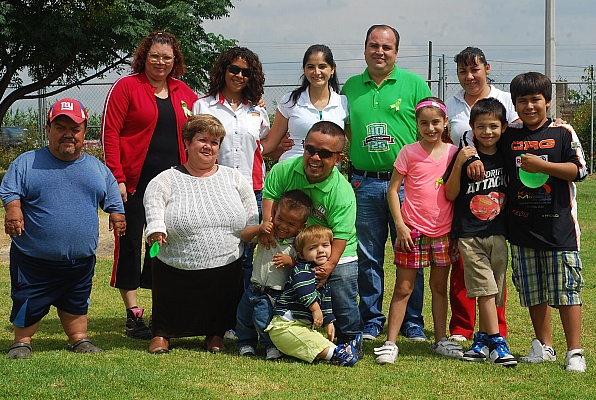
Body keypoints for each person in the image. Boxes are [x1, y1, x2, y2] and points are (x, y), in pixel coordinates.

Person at [466, 72, 588, 372]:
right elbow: (479, 144)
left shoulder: (562, 131)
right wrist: (471, 160)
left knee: (566, 289)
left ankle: (575, 351)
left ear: (547, 101)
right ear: (515, 105)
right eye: (523, 101)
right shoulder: (510, 134)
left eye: (536, 100)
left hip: (559, 228)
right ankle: (543, 345)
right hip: (521, 228)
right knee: (533, 290)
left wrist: (541, 164)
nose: (530, 106)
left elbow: (580, 171)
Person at [1, 98, 126, 359]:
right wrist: (13, 209)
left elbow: (112, 192)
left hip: (80, 262)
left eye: (75, 128)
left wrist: (117, 213)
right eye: (60, 127)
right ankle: (22, 341)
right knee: (27, 300)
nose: (68, 134)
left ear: (84, 131)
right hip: (34, 261)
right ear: (48, 129)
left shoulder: (95, 167)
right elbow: (10, 188)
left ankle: (78, 339)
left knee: (77, 302)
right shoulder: (27, 163)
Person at [101, 31, 198, 340]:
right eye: (155, 56)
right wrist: (116, 177)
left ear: (175, 61)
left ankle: (163, 311)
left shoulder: (185, 93)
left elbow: (205, 126)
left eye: (167, 57)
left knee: (163, 245)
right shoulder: (126, 87)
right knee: (129, 244)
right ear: (144, 56)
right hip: (132, 183)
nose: (160, 62)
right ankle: (133, 315)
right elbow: (110, 134)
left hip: (174, 184)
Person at [341, 24, 432, 341]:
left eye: (387, 47)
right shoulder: (351, 87)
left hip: (408, 186)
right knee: (368, 257)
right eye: (373, 45)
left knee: (411, 255)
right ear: (364, 48)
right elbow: (344, 133)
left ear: (396, 52)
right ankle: (371, 320)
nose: (379, 51)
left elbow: (433, 128)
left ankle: (412, 320)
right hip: (363, 185)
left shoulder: (414, 84)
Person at [144, 114, 259, 355]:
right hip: (175, 261)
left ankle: (214, 334)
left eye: (214, 142)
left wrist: (257, 233)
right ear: (186, 142)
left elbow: (251, 212)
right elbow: (153, 204)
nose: (208, 146)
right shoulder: (166, 179)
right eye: (202, 139)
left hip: (226, 261)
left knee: (219, 299)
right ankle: (162, 334)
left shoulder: (235, 178)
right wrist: (156, 228)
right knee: (169, 293)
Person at [374, 98, 462, 365]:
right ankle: (390, 343)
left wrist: (456, 233)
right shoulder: (408, 152)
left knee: (438, 287)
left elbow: (457, 195)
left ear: (445, 122)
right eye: (424, 123)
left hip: (444, 232)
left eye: (436, 122)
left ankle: (440, 340)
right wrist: (400, 225)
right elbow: (392, 190)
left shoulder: (454, 153)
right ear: (417, 125)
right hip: (412, 232)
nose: (430, 128)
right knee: (403, 288)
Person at [261, 121, 361, 348]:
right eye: (311, 150)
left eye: (325, 154)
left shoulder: (342, 192)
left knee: (341, 288)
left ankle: (351, 339)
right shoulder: (284, 169)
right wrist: (268, 224)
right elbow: (270, 195)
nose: (315, 158)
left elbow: (342, 235)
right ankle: (279, 336)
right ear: (303, 146)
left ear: (338, 159)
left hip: (335, 248)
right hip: (296, 242)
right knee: (284, 289)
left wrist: (329, 266)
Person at [444, 47, 518, 341]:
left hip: (498, 193)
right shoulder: (450, 104)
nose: (469, 76)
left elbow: (522, 130)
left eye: (475, 70)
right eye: (463, 71)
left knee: (496, 269)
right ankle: (462, 328)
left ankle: (495, 329)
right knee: (463, 265)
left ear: (487, 68)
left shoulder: (505, 101)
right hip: (463, 191)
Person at [193, 47, 270, 292]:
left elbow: (264, 144)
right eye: (233, 69)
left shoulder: (257, 110)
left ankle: (241, 323)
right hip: (215, 192)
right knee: (216, 254)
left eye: (245, 72)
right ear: (223, 70)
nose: (239, 76)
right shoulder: (203, 106)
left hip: (252, 192)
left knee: (247, 257)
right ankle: (217, 317)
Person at [265, 225, 361, 366]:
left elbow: (326, 300)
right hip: (285, 327)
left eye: (325, 245)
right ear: (301, 255)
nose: (320, 250)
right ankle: (338, 355)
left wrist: (329, 321)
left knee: (317, 340)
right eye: (312, 248)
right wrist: (315, 309)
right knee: (311, 342)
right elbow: (303, 289)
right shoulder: (301, 269)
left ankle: (338, 351)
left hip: (302, 327)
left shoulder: (323, 275)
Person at [236, 190, 312, 360]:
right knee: (243, 317)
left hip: (274, 293)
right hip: (253, 287)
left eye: (291, 224)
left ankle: (270, 345)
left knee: (264, 320)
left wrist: (290, 262)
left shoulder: (297, 246)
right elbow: (244, 235)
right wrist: (260, 228)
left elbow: (301, 269)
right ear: (274, 212)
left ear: (302, 226)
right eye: (280, 219)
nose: (283, 226)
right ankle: (245, 343)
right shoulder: (265, 235)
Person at [261, 44, 349, 160]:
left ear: (332, 69)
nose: (316, 72)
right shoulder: (290, 100)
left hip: (328, 174)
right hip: (291, 171)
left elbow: (354, 143)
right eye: (311, 67)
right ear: (304, 69)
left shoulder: (343, 103)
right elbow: (269, 144)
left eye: (322, 66)